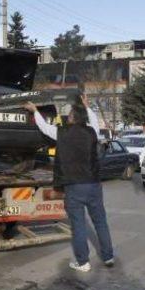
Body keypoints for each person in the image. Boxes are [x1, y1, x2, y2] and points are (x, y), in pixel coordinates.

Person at [24, 98, 114, 273]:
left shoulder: (62, 132)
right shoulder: (92, 132)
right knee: (101, 222)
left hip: (74, 186)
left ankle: (83, 263)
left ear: (73, 117)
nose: (68, 117)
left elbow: (44, 127)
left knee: (78, 224)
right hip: (94, 184)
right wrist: (88, 106)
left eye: (70, 114)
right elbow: (94, 120)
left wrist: (35, 110)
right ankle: (108, 256)